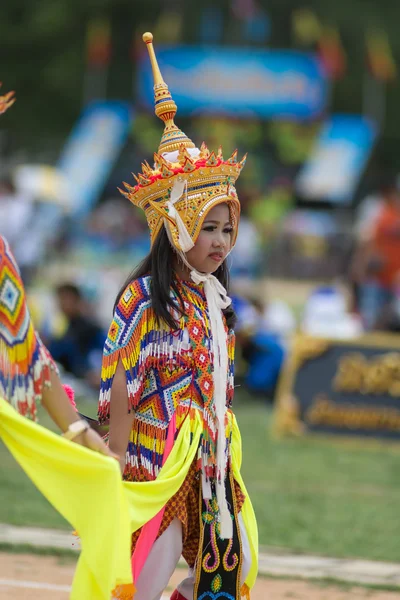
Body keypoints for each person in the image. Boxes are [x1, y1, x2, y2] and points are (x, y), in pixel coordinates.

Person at [99, 33, 258, 600]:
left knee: (227, 578)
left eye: (227, 228)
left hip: (210, 467)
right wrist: (113, 465)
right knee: (140, 585)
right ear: (176, 227)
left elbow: (224, 389)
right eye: (207, 227)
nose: (220, 241)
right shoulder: (141, 296)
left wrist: (225, 461)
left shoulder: (219, 302)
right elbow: (120, 381)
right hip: (155, 464)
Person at [48, 282, 105, 388]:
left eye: (66, 299)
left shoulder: (91, 327)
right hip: (76, 379)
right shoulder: (63, 328)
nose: (63, 304)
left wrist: (99, 374)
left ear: (78, 301)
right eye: (60, 300)